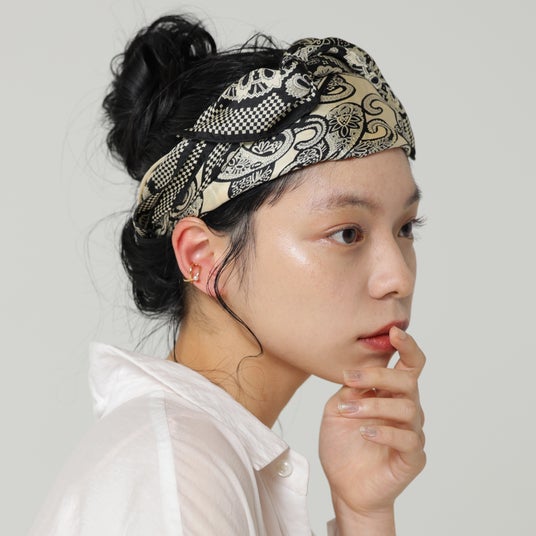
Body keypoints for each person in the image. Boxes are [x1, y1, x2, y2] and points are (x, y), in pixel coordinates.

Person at [29, 13, 426, 536]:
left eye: (405, 227)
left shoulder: (208, 456)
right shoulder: (173, 476)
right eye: (347, 233)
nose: (397, 278)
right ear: (201, 256)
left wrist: (363, 515)